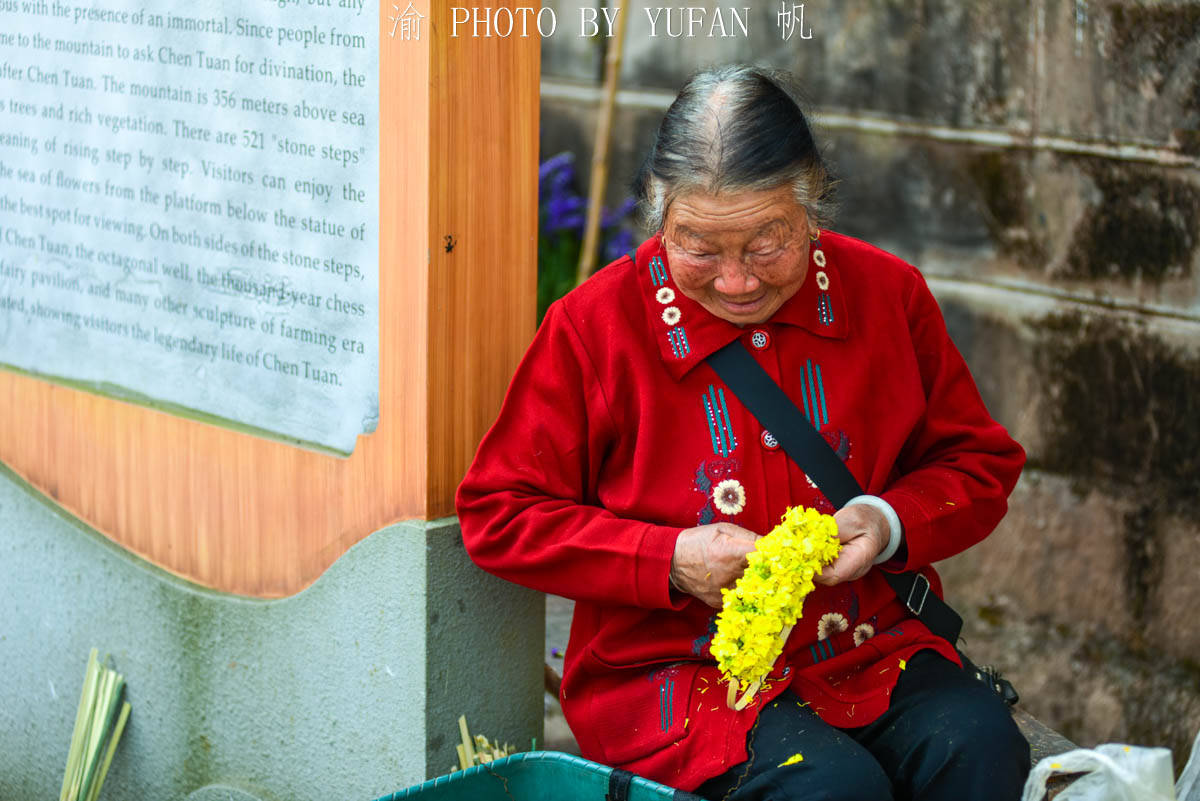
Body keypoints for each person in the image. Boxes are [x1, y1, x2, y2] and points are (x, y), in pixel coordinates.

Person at [456, 64, 1030, 801]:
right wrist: (667, 556)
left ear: (813, 206)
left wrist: (887, 523)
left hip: (866, 647)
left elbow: (978, 461)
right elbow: (499, 510)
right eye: (697, 245)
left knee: (978, 747)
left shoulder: (889, 295)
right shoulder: (592, 329)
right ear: (658, 217)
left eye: (768, 243)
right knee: (828, 790)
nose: (736, 281)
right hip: (675, 674)